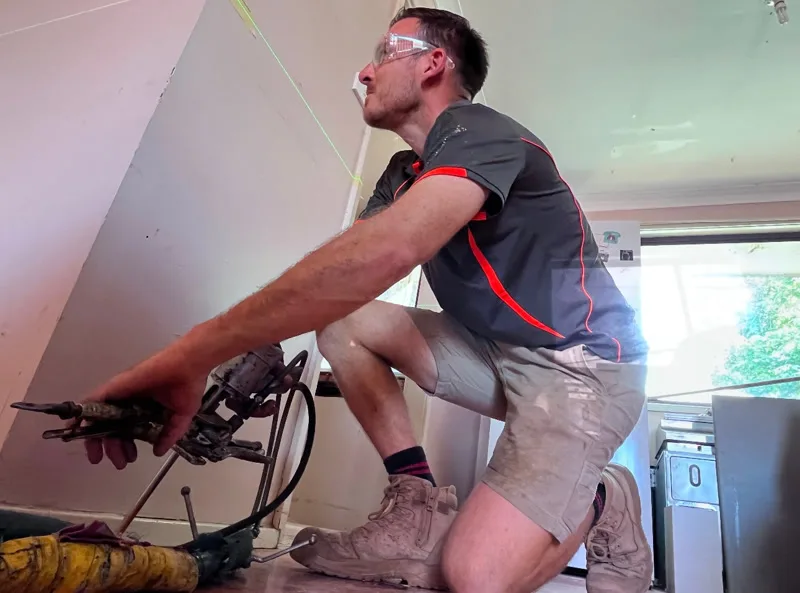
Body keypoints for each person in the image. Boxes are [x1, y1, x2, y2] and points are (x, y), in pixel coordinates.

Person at [79, 7, 652, 593]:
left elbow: (390, 250)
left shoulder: (483, 131)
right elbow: (346, 274)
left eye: (385, 51)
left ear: (434, 63)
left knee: (473, 577)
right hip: (498, 353)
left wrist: (188, 355)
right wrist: (255, 357)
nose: (366, 70)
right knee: (346, 322)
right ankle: (415, 502)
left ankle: (603, 496)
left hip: (584, 369)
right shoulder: (404, 171)